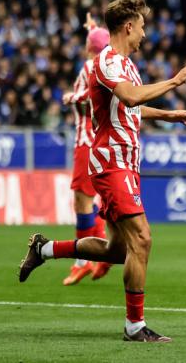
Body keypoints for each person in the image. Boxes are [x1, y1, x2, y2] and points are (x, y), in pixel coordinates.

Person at [19, 0, 186, 343]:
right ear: (128, 26)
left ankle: (43, 249)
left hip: (127, 164)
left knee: (117, 250)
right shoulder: (106, 63)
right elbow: (131, 98)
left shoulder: (128, 66)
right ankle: (135, 326)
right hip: (111, 163)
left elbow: (133, 108)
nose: (145, 34)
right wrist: (175, 81)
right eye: (142, 26)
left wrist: (168, 115)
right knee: (143, 239)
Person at [60, 14, 111, 285]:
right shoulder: (105, 61)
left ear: (89, 47)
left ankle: (84, 260)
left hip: (86, 141)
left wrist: (72, 97)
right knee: (95, 200)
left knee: (82, 201)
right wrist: (92, 27)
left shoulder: (90, 66)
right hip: (101, 141)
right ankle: (99, 256)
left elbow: (92, 92)